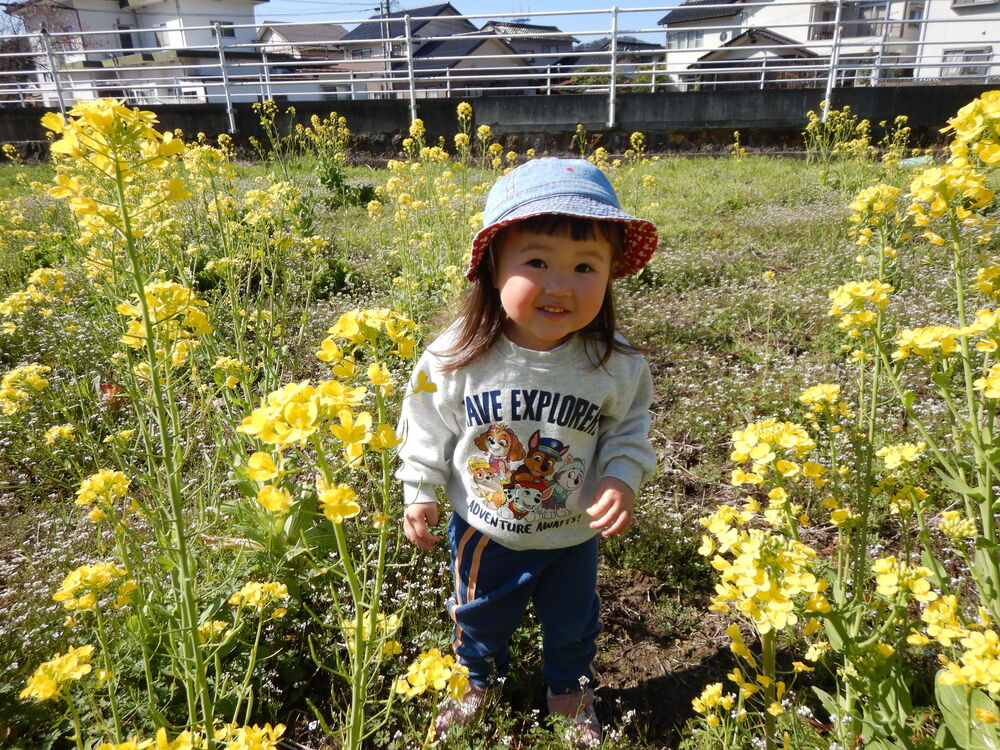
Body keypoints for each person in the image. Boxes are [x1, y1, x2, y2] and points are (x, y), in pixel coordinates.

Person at [396, 157, 658, 747]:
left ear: (612, 274)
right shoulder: (453, 357)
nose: (561, 284)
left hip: (571, 533)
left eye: (586, 266)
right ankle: (476, 680)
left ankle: (568, 690)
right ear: (492, 267)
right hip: (485, 530)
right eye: (537, 261)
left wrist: (621, 477)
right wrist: (419, 489)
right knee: (479, 617)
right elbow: (423, 426)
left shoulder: (616, 362)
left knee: (573, 624)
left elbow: (628, 430)